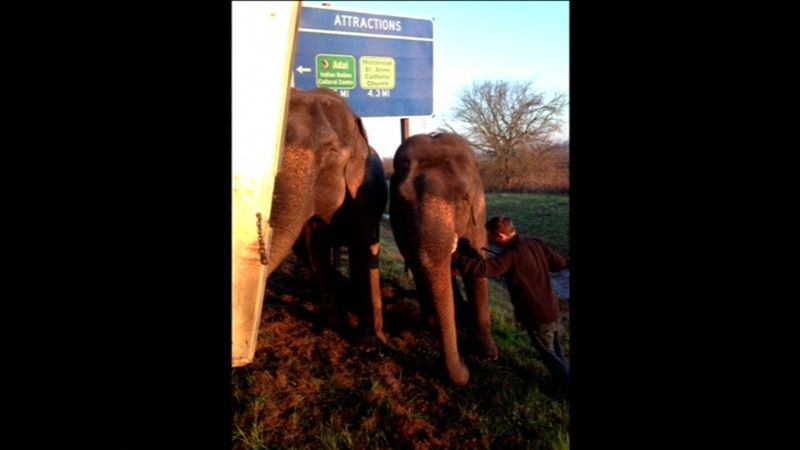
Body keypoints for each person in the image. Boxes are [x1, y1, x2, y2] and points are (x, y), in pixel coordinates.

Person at [451, 215, 570, 395]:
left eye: (492, 237)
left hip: (536, 316)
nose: (492, 240)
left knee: (549, 354)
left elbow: (482, 269)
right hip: (552, 309)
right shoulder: (535, 243)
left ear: (501, 235)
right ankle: (563, 377)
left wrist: (455, 255)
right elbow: (559, 263)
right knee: (556, 349)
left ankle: (565, 388)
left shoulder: (511, 256)